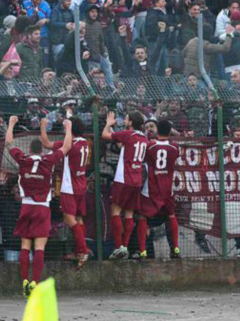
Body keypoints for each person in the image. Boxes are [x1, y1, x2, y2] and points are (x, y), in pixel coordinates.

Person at [6, 114, 72, 298]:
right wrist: (68, 128)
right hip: (42, 208)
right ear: (42, 150)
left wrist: (11, 124)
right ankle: (35, 281)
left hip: (26, 206)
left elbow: (9, 143)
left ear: (29, 149)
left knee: (25, 246)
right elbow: (66, 147)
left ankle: (24, 281)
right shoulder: (48, 160)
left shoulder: (23, 159)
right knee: (39, 247)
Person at [40, 116, 92, 268]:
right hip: (82, 184)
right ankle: (79, 250)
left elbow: (46, 143)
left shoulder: (70, 144)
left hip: (70, 187)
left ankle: (83, 250)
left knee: (69, 219)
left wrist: (43, 126)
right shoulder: (84, 143)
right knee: (79, 218)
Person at [102, 110, 149, 260]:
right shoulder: (143, 138)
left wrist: (108, 125)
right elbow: (122, 143)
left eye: (126, 118)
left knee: (115, 210)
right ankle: (125, 247)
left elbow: (105, 136)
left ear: (130, 123)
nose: (124, 120)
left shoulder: (128, 134)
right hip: (136, 180)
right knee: (129, 213)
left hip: (123, 179)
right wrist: (113, 129)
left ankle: (118, 246)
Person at [135, 119, 181, 259]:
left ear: (157, 130)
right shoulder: (174, 147)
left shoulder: (150, 146)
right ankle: (176, 248)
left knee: (143, 216)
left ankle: (142, 250)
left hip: (151, 188)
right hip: (167, 189)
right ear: (169, 131)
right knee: (171, 215)